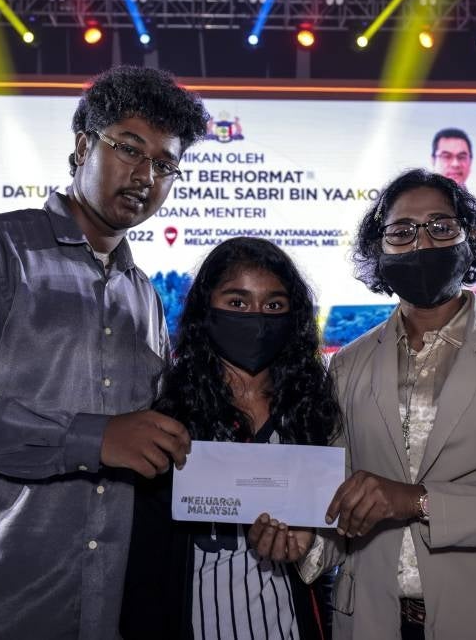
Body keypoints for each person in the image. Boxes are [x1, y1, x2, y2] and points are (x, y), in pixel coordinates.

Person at [0, 65, 209, 640]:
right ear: (83, 144)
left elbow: (150, 441)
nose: (145, 175)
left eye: (164, 164)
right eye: (129, 149)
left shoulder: (144, 296)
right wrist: (92, 438)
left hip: (104, 609)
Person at [254, 169, 476, 639]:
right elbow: (339, 505)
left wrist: (417, 501)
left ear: (470, 239)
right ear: (379, 249)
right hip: (371, 622)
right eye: (401, 232)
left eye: (441, 227)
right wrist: (306, 541)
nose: (421, 243)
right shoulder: (348, 364)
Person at [120, 236, 340, 640]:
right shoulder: (168, 416)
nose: (256, 317)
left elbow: (337, 535)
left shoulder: (314, 414)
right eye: (237, 302)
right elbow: (144, 564)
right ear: (207, 309)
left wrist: (310, 544)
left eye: (274, 305)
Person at [430, 127, 476, 309]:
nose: (455, 163)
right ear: (433, 159)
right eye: (446, 156)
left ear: (470, 161)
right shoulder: (418, 207)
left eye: (462, 156)